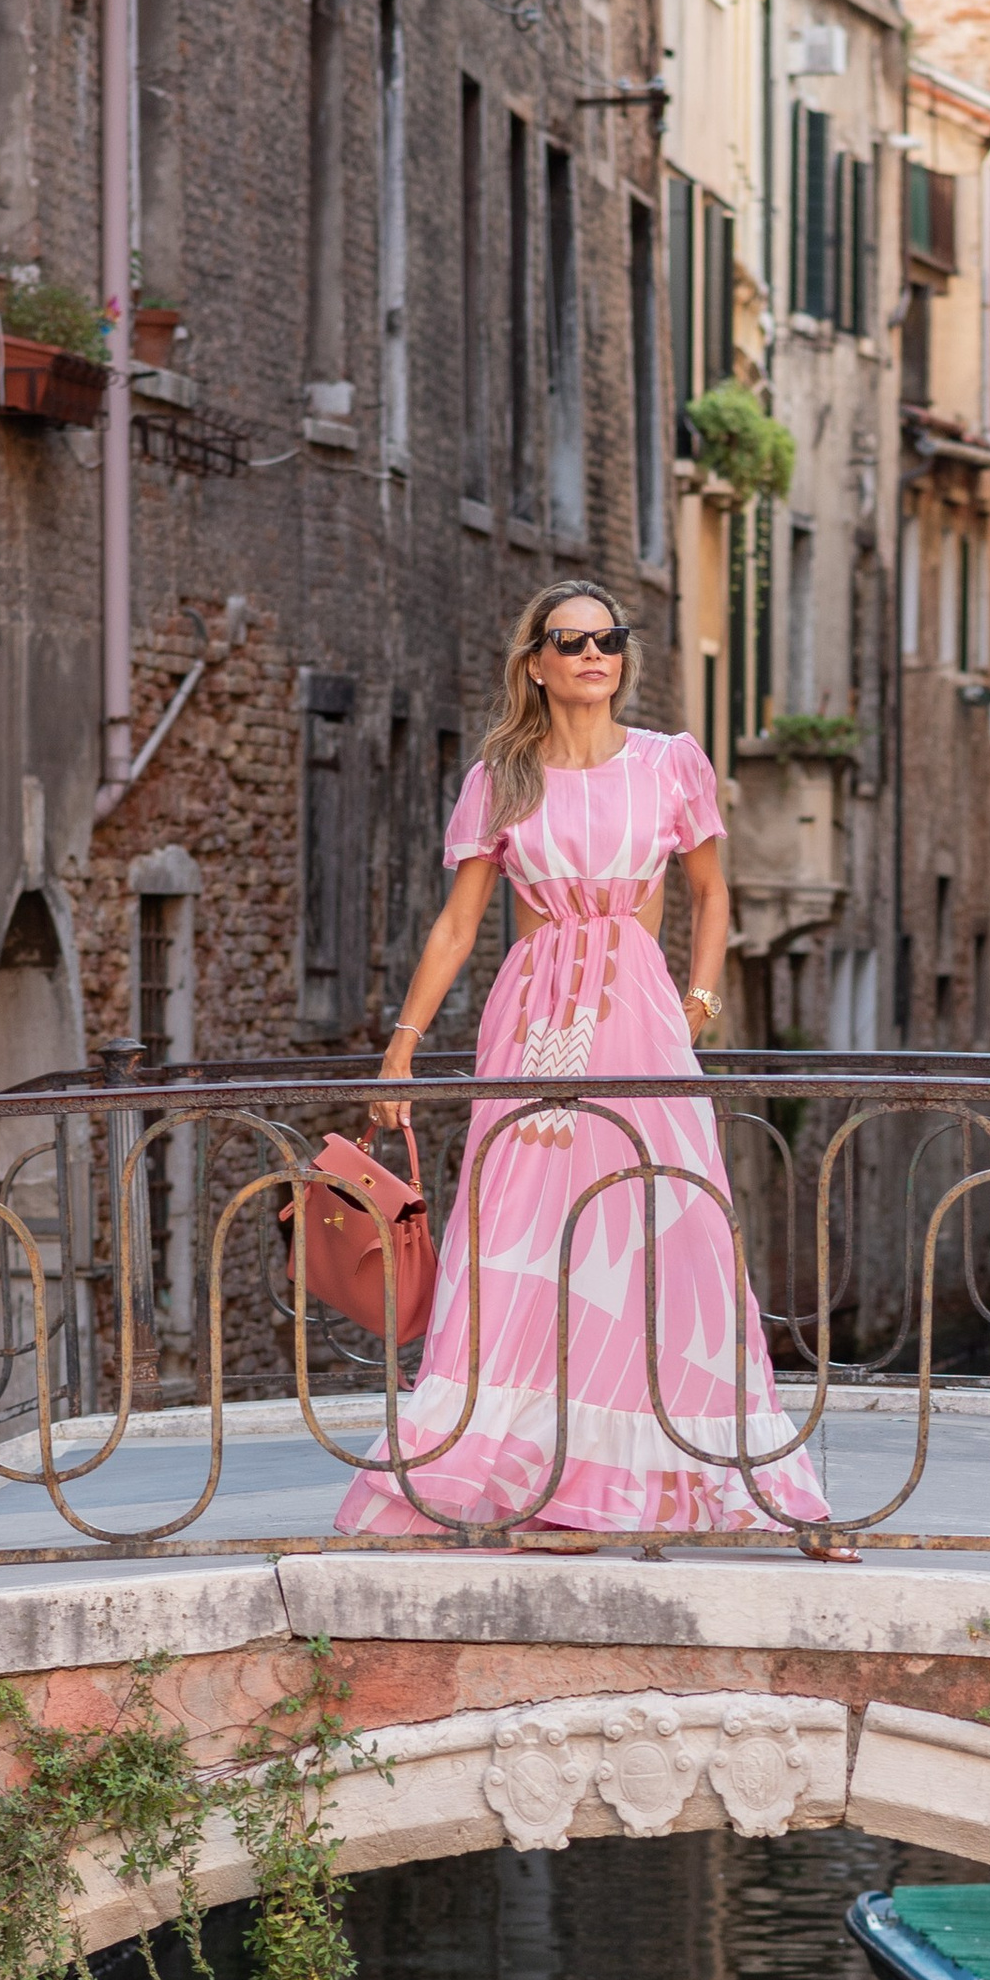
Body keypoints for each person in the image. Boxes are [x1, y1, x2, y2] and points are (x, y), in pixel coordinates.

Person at [331, 582, 831, 1539]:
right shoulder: (502, 776)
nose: (596, 654)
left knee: (663, 1218)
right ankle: (517, 1459)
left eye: (610, 639)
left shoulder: (672, 763)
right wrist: (401, 1049)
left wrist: (698, 1001)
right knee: (515, 1227)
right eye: (573, 641)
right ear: (537, 662)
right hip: (530, 1018)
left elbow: (712, 892)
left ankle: (659, 1467)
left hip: (641, 1017)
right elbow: (457, 926)